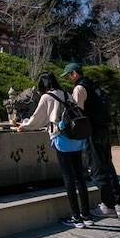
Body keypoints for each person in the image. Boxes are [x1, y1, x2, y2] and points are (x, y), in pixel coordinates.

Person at [17, 72, 94, 228]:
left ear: (43, 85)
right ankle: (87, 216)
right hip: (76, 138)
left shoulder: (47, 97)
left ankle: (76, 218)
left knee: (68, 177)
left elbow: (37, 119)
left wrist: (24, 126)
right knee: (80, 176)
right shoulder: (66, 94)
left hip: (61, 138)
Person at [61, 62, 120, 218]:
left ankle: (108, 206)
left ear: (75, 74)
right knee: (108, 165)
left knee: (96, 167)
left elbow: (78, 112)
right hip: (104, 129)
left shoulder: (79, 88)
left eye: (69, 75)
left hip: (92, 131)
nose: (69, 79)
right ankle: (117, 203)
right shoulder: (95, 87)